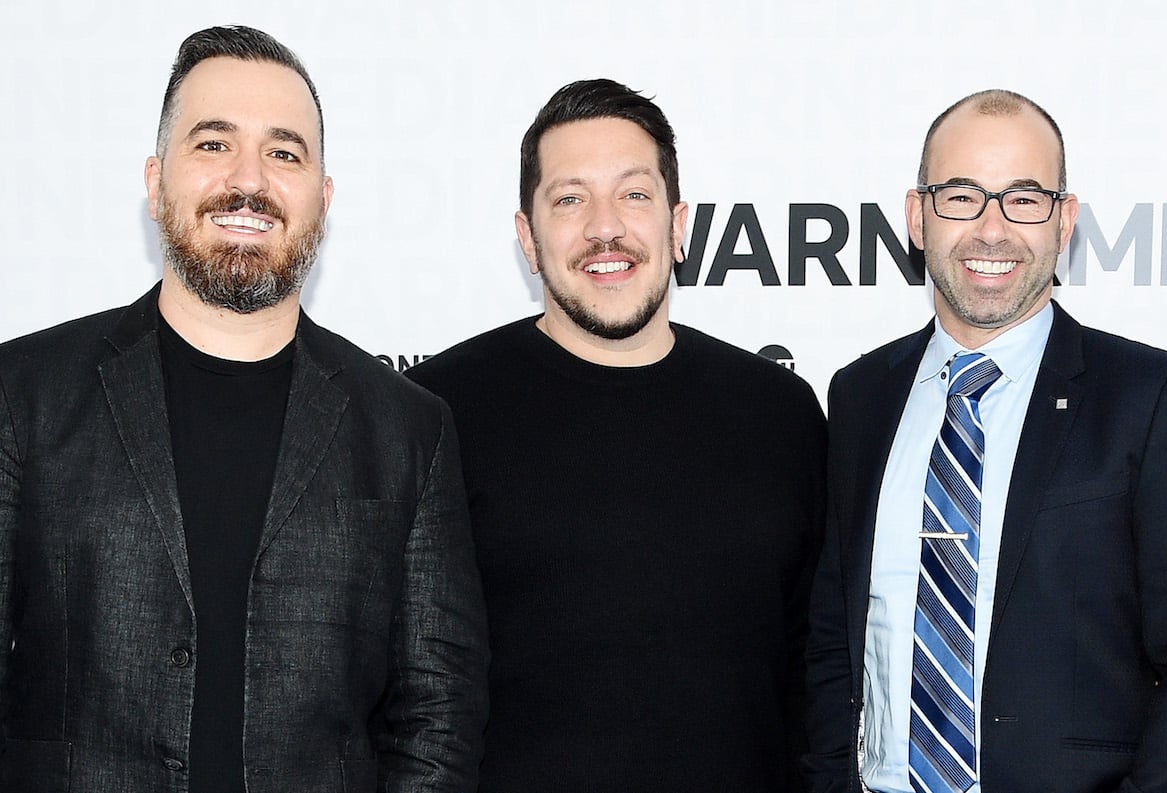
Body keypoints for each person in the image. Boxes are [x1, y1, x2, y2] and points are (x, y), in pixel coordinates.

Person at [0, 26, 488, 793]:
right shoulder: (22, 393)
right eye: (214, 144)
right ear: (157, 180)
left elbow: (437, 716)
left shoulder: (408, 431)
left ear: (322, 199)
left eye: (285, 153)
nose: (250, 180)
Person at [407, 78, 826, 792]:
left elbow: (814, 677)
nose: (606, 227)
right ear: (527, 237)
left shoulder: (781, 414)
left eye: (634, 195)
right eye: (570, 199)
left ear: (679, 223)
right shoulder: (436, 412)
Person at [803, 88, 1167, 792]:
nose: (992, 229)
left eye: (1024, 198)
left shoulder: (1157, 398)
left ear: (1064, 221)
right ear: (917, 216)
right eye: (961, 196)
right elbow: (835, 637)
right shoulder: (859, 395)